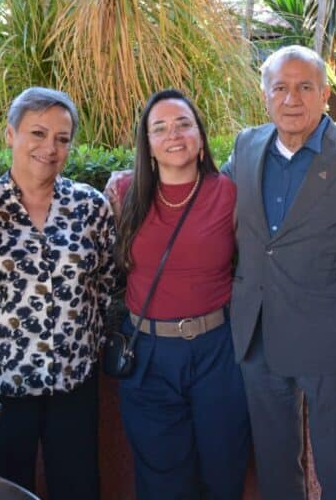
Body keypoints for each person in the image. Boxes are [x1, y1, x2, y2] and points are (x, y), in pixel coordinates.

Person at [221, 45, 336, 499]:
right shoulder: (246, 146)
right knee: (276, 467)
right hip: (257, 337)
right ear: (265, 95)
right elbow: (210, 208)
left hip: (329, 343)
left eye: (304, 87)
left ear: (325, 94)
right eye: (281, 88)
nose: (292, 99)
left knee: (335, 467)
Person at [0, 87, 115, 499]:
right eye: (37, 133)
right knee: (2, 489)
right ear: (10, 135)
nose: (49, 148)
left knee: (79, 487)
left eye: (62, 138)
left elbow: (104, 282)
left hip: (73, 380)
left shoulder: (91, 206)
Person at [106, 89, 250, 499]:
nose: (174, 134)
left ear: (200, 137)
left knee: (224, 473)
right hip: (148, 355)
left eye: (184, 124)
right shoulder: (122, 194)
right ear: (148, 144)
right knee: (162, 483)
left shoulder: (230, 194)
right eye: (161, 127)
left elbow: (258, 266)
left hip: (217, 353)